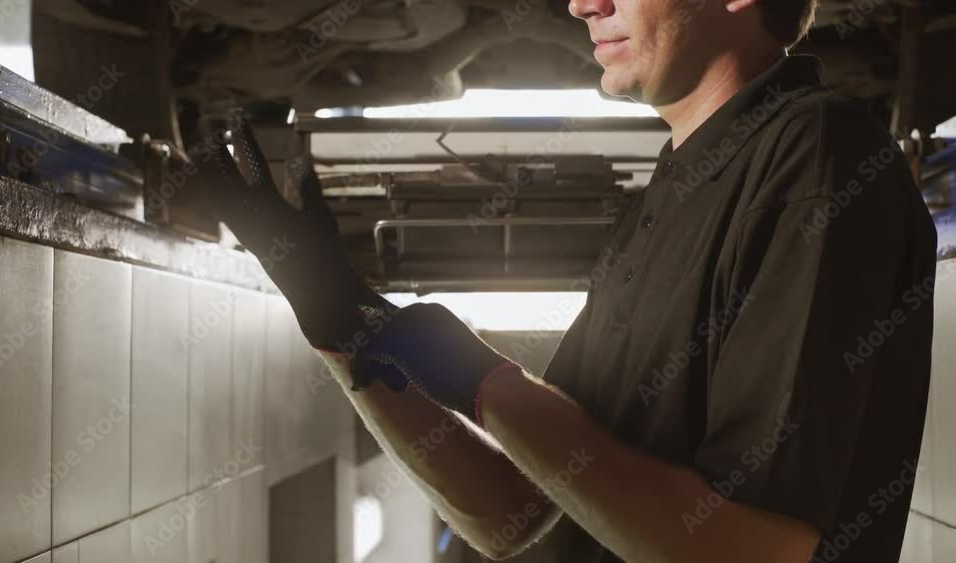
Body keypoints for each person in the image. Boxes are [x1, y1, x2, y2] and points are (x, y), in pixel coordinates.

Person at [193, 0, 938, 560]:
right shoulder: (674, 190)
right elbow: (513, 513)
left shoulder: (817, 159)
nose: (583, 2)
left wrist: (490, 383)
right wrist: (347, 327)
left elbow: (753, 551)